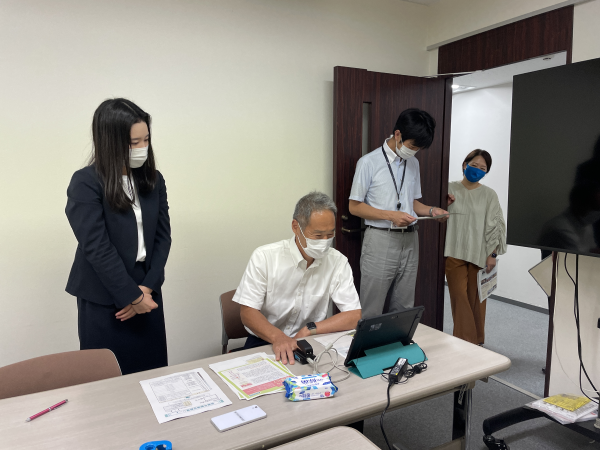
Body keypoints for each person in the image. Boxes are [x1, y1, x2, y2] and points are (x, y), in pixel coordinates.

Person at [65, 98, 171, 375]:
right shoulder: (85, 183)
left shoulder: (153, 180)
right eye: (133, 143)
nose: (142, 148)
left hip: (147, 290)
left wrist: (145, 290)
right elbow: (97, 248)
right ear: (110, 143)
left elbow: (162, 238)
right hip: (105, 296)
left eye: (145, 140)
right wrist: (130, 297)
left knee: (153, 375)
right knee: (107, 380)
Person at [233, 192, 362, 365]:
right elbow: (247, 313)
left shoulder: (337, 261)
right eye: (317, 235)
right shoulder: (265, 257)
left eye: (330, 234)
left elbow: (354, 315)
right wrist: (279, 337)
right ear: (296, 227)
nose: (325, 241)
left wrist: (310, 330)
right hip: (266, 339)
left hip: (311, 339)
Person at [349, 108, 448, 319]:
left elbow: (412, 203)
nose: (414, 151)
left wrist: (432, 211)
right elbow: (354, 207)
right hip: (380, 239)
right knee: (372, 307)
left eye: (419, 148)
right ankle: (367, 351)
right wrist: (390, 215)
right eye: (412, 146)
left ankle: (397, 349)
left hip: (411, 239)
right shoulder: (369, 162)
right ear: (397, 134)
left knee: (404, 305)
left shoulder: (413, 163)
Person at [444, 149, 506, 345]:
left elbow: (496, 225)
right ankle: (468, 345)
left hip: (479, 255)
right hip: (454, 252)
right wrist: (443, 203)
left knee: (477, 302)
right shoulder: (447, 188)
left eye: (483, 168)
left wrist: (493, 254)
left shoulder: (489, 195)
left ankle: (476, 342)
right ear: (464, 164)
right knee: (460, 298)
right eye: (474, 165)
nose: (477, 170)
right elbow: (434, 215)